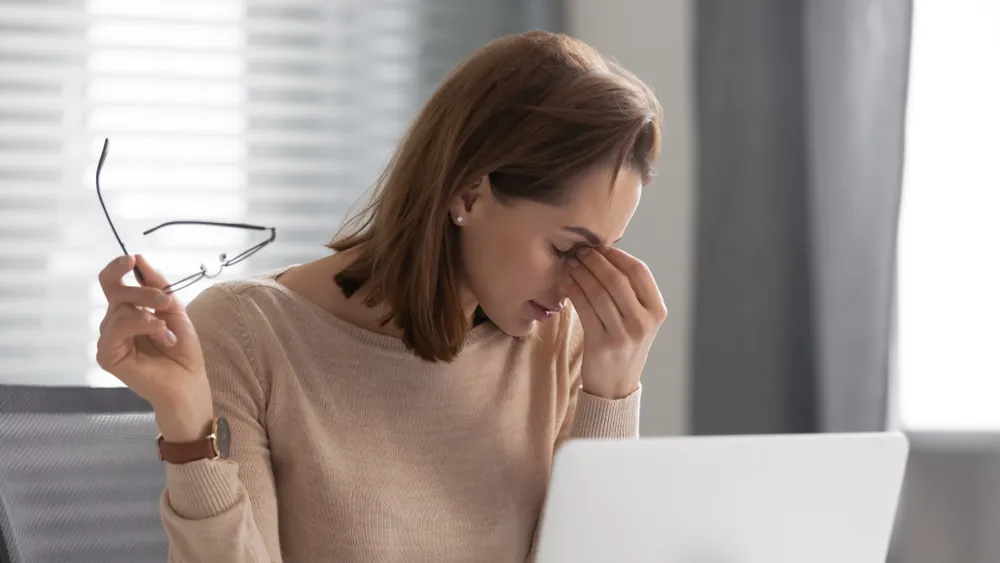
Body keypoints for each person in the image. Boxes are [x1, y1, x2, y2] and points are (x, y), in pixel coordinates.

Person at [96, 30, 666, 563]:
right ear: (470, 192)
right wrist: (190, 433)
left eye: (604, 253)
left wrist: (611, 395)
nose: (581, 286)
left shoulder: (559, 345)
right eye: (569, 249)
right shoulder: (249, 333)